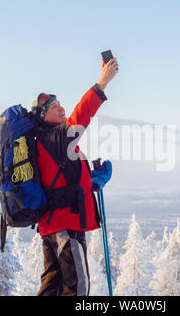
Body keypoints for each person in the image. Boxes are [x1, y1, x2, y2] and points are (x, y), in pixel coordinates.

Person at [32, 57, 119, 296]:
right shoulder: (56, 138)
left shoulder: (47, 144)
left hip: (53, 226)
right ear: (43, 116)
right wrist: (102, 83)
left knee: (52, 287)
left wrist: (92, 181)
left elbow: (60, 181)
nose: (61, 108)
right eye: (53, 107)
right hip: (65, 228)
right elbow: (81, 115)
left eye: (60, 103)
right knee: (78, 289)